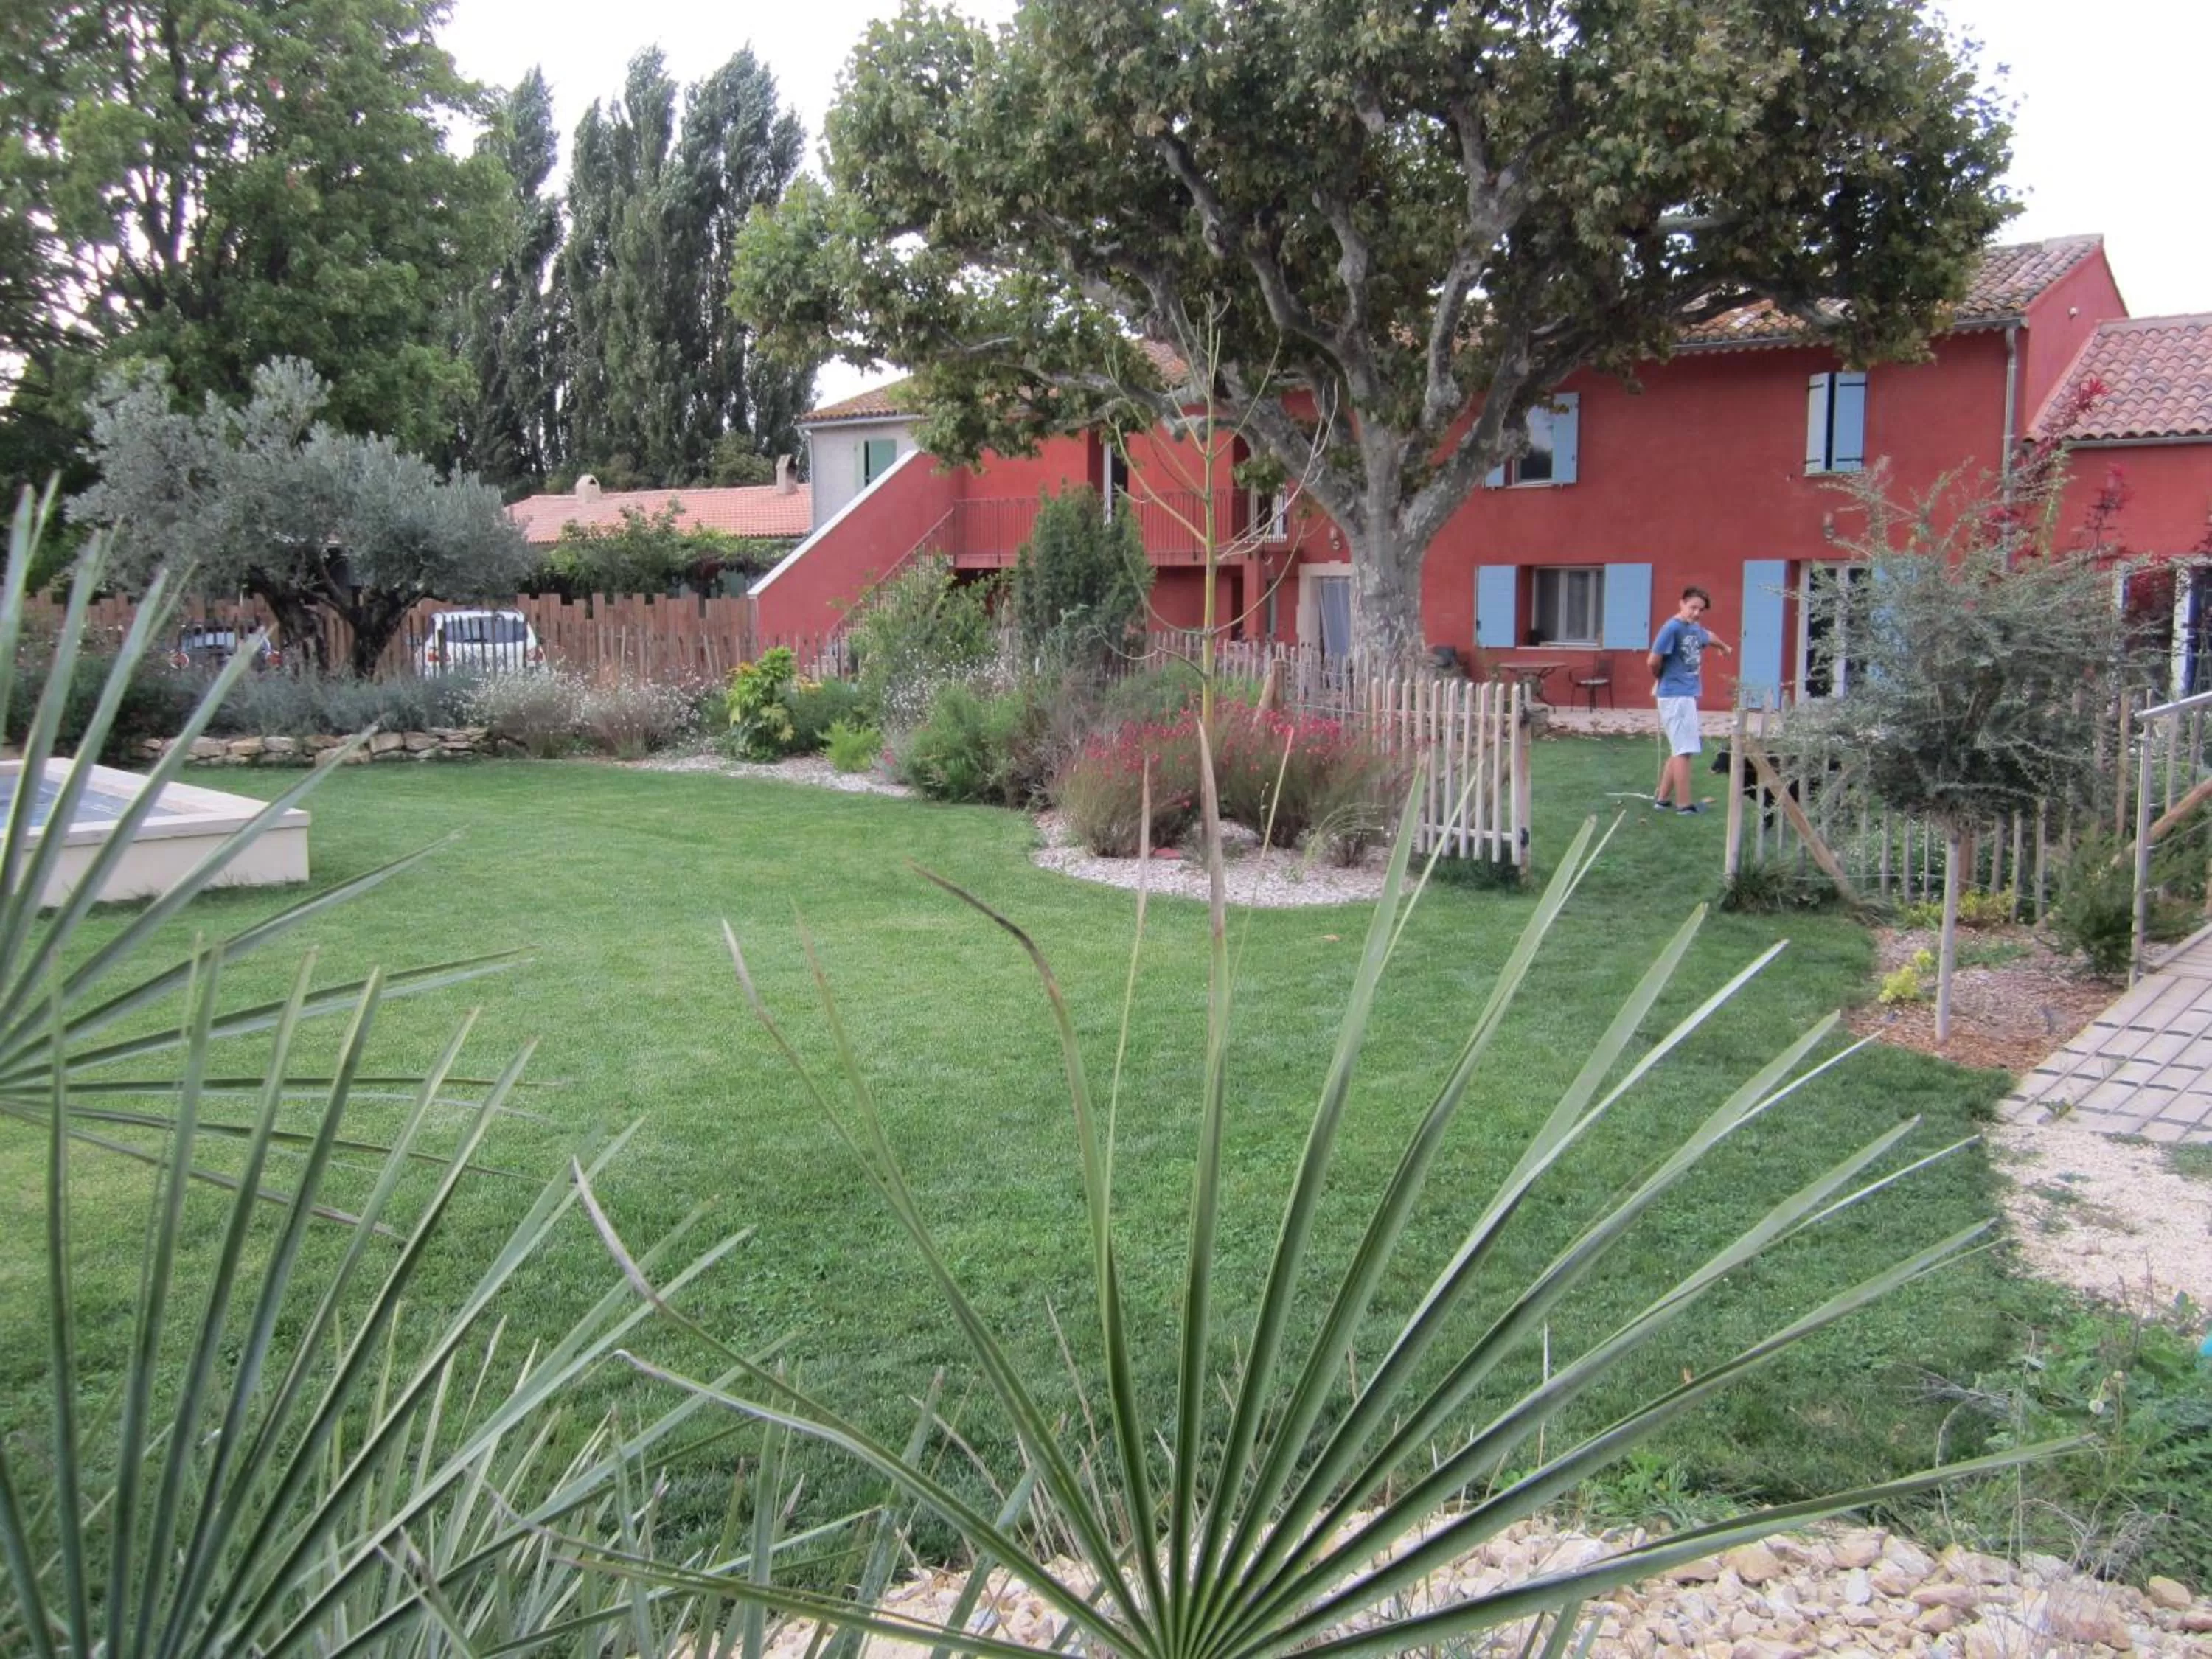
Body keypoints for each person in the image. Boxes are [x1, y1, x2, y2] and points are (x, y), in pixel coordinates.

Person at [1648, 586, 1731, 813]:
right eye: (1693, 607)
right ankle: (1685, 805)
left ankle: (1662, 800)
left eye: (1701, 610)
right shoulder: (1672, 628)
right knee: (1684, 751)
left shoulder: (1693, 628)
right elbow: (1653, 661)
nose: (1696, 613)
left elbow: (1709, 636)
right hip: (1676, 696)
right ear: (1681, 603)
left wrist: (1723, 647)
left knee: (1679, 747)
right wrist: (1662, 678)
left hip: (1686, 694)